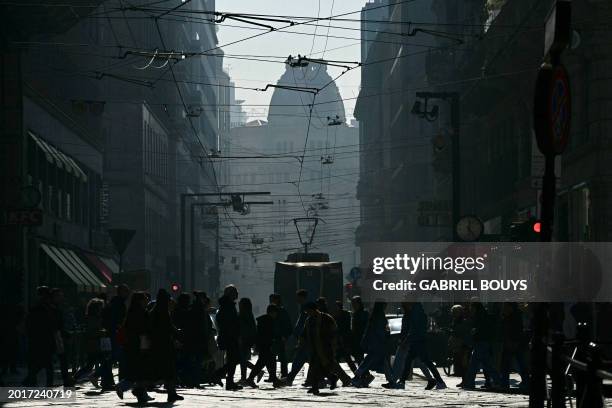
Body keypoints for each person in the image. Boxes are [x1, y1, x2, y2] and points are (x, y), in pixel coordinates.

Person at [384, 303, 446, 390]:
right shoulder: (417, 312)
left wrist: (405, 341)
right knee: (411, 362)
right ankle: (401, 382)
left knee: (424, 362)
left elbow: (413, 329)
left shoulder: (415, 313)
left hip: (417, 341)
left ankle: (439, 381)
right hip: (416, 341)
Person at [303, 302, 352, 395]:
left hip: (325, 347)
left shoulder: (326, 318)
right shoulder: (309, 320)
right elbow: (305, 332)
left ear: (313, 309)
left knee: (321, 366)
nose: (307, 313)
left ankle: (321, 384)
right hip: (314, 347)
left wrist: (333, 344)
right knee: (317, 367)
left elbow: (334, 332)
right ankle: (330, 379)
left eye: (308, 311)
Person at [119, 291, 153, 404]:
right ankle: (123, 387)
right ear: (140, 301)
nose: (147, 301)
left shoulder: (131, 312)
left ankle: (141, 393)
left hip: (131, 344)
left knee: (138, 370)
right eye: (145, 299)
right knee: (140, 370)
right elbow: (144, 329)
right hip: (140, 343)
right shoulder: (141, 313)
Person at [149, 289, 183, 402]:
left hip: (159, 344)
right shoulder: (162, 312)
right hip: (164, 345)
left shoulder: (155, 311)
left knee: (166, 371)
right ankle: (171, 393)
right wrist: (177, 333)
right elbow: (167, 327)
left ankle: (172, 393)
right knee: (168, 370)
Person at [74, 298, 113, 389]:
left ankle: (76, 378)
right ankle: (99, 379)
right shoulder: (92, 318)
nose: (101, 309)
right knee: (102, 363)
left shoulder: (95, 317)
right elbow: (91, 332)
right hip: (94, 345)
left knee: (91, 365)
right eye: (100, 307)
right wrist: (101, 332)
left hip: (95, 344)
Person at [460, 302, 501, 389]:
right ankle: (497, 380)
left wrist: (474, 332)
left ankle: (469, 382)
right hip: (482, 342)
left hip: (481, 342)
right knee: (487, 364)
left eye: (472, 308)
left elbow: (481, 330)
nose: (471, 310)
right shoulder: (482, 316)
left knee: (474, 364)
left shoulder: (480, 317)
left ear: (475, 308)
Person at [244, 304, 284, 388]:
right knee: (265, 362)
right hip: (266, 345)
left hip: (263, 345)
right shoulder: (269, 321)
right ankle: (251, 379)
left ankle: (274, 379)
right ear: (272, 312)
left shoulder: (263, 320)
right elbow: (270, 334)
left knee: (268, 361)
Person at [22, 286, 55, 386]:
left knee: (41, 362)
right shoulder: (45, 307)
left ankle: (31, 380)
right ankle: (42, 383)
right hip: (43, 338)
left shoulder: (37, 306)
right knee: (46, 363)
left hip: (37, 338)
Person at [352, 301, 389, 387]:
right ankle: (358, 377)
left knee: (369, 361)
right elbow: (379, 331)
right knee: (371, 361)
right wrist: (386, 335)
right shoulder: (379, 316)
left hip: (373, 343)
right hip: (377, 343)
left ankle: (360, 377)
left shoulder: (374, 316)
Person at [215, 285, 242, 390]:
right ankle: (218, 375)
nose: (237, 294)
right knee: (234, 359)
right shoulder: (227, 306)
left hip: (229, 336)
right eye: (235, 292)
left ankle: (228, 381)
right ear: (230, 294)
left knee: (233, 360)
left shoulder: (226, 305)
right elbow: (229, 323)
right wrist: (235, 334)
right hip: (230, 337)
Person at [103, 284, 130, 383]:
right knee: (117, 355)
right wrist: (119, 327)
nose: (127, 294)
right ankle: (99, 374)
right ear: (121, 292)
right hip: (116, 332)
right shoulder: (118, 303)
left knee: (116, 356)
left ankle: (107, 379)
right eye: (126, 291)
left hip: (114, 332)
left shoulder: (116, 302)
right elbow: (117, 319)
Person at [499, 303, 529, 391]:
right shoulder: (511, 316)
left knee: (508, 364)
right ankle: (525, 382)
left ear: (510, 307)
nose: (504, 309)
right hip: (513, 343)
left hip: (513, 343)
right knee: (518, 363)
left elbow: (515, 331)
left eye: (505, 307)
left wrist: (513, 341)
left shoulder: (514, 317)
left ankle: (505, 383)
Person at [283, 289, 310, 385]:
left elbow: (302, 323)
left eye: (298, 297)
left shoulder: (306, 308)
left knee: (300, 358)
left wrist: (297, 334)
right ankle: (291, 378)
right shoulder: (304, 307)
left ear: (302, 297)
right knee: (302, 358)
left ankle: (290, 378)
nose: (296, 299)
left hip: (305, 338)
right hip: (304, 337)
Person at [269, 293, 292, 379]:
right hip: (274, 336)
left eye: (272, 299)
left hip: (280, 337)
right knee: (274, 357)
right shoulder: (274, 310)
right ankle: (275, 375)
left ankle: (283, 374)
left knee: (281, 357)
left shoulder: (282, 311)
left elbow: (287, 325)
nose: (271, 301)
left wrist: (285, 336)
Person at [332, 300, 357, 373]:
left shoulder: (343, 315)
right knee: (342, 360)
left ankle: (356, 375)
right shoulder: (343, 315)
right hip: (340, 341)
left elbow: (345, 328)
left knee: (346, 359)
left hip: (343, 341)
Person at [237, 297, 257, 385]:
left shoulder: (243, 314)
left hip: (244, 339)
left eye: (240, 303)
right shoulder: (249, 313)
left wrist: (240, 337)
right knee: (242, 359)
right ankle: (244, 377)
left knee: (242, 359)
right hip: (248, 339)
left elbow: (242, 328)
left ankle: (253, 373)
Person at [448, 304, 471, 378]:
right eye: (453, 312)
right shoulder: (455, 320)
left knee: (462, 363)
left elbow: (461, 332)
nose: (454, 314)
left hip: (461, 344)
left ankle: (465, 379)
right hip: (457, 344)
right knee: (458, 361)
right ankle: (462, 378)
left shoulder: (462, 321)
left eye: (455, 312)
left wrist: (453, 332)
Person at [350, 296, 369, 364]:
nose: (353, 305)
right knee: (358, 356)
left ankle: (363, 373)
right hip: (357, 338)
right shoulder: (356, 314)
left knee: (359, 356)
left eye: (354, 303)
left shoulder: (363, 313)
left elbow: (365, 326)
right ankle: (363, 373)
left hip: (360, 338)